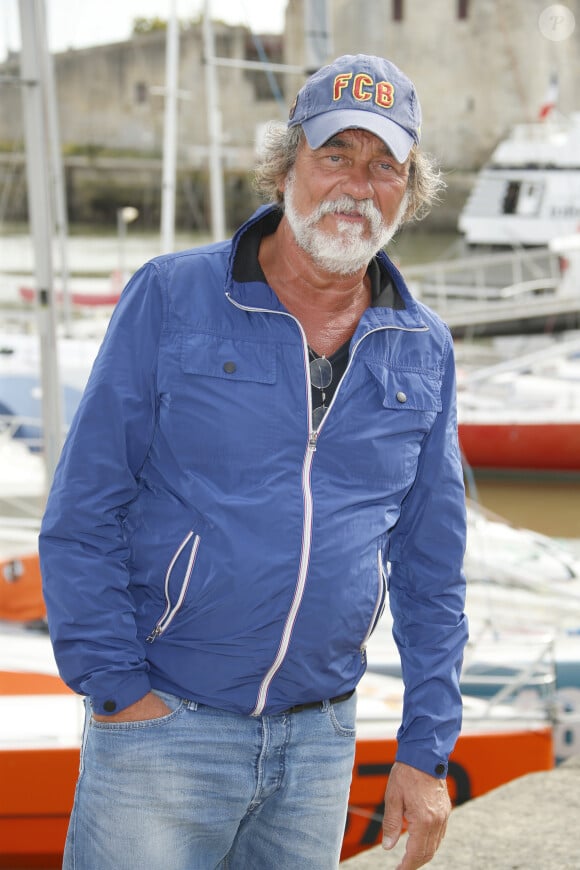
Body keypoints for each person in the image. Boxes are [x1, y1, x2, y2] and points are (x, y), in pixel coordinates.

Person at [39, 53, 468, 870]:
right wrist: (120, 692)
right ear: (285, 169)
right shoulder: (172, 297)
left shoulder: (424, 349)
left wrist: (426, 748)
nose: (357, 182)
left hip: (321, 745)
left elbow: (431, 567)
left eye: (385, 165)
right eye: (335, 154)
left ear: (407, 193)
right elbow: (83, 511)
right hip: (165, 732)